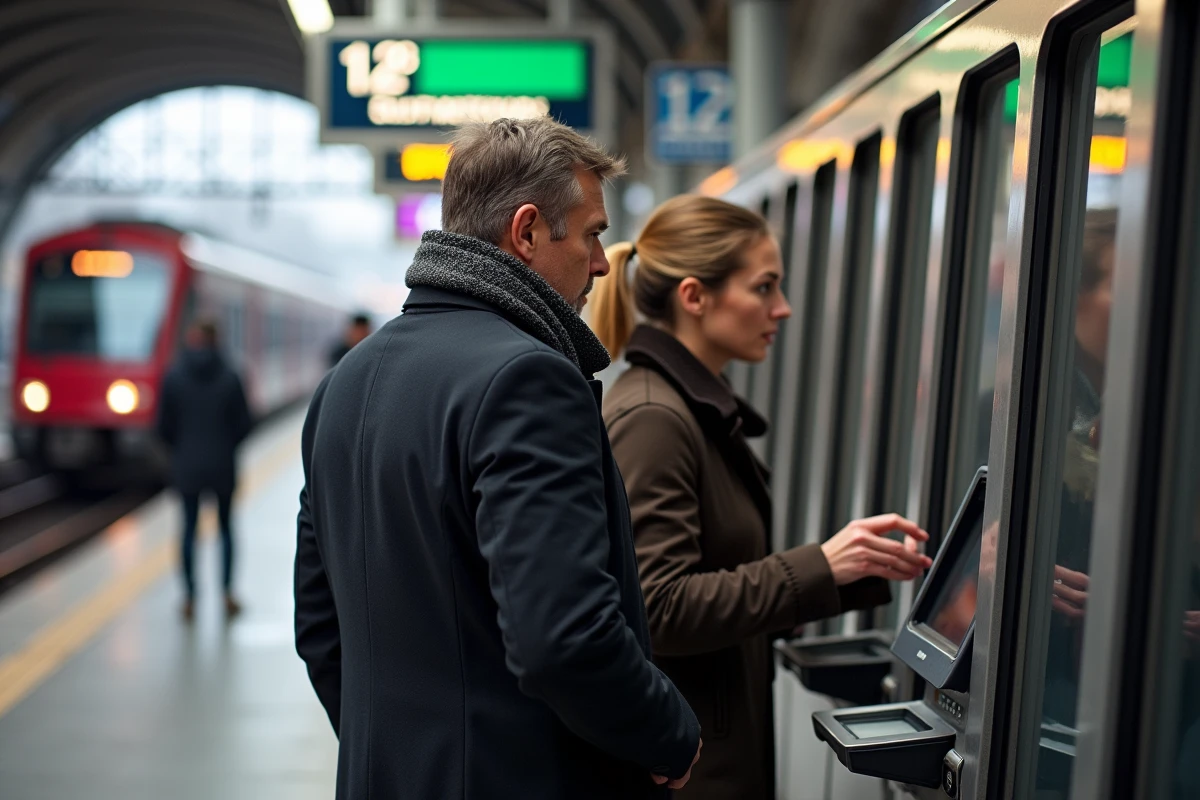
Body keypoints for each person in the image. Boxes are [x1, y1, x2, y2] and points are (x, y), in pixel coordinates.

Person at [293, 117, 702, 800]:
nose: (603, 263)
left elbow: (320, 625)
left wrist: (411, 751)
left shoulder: (345, 382)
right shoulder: (529, 380)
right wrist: (668, 732)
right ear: (529, 230)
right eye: (594, 233)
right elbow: (563, 639)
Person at [589, 194, 931, 800]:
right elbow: (658, 607)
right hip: (691, 770)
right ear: (695, 297)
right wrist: (818, 565)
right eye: (765, 288)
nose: (783, 309)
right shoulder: (654, 418)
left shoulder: (681, 407)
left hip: (707, 751)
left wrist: (851, 569)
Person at [156, 317, 252, 621]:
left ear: (193, 338)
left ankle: (189, 597)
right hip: (223, 465)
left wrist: (182, 449)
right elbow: (245, 423)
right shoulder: (232, 375)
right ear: (217, 339)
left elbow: (162, 427)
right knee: (225, 528)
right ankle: (226, 594)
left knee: (188, 530)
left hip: (187, 466)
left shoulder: (174, 376)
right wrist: (225, 446)